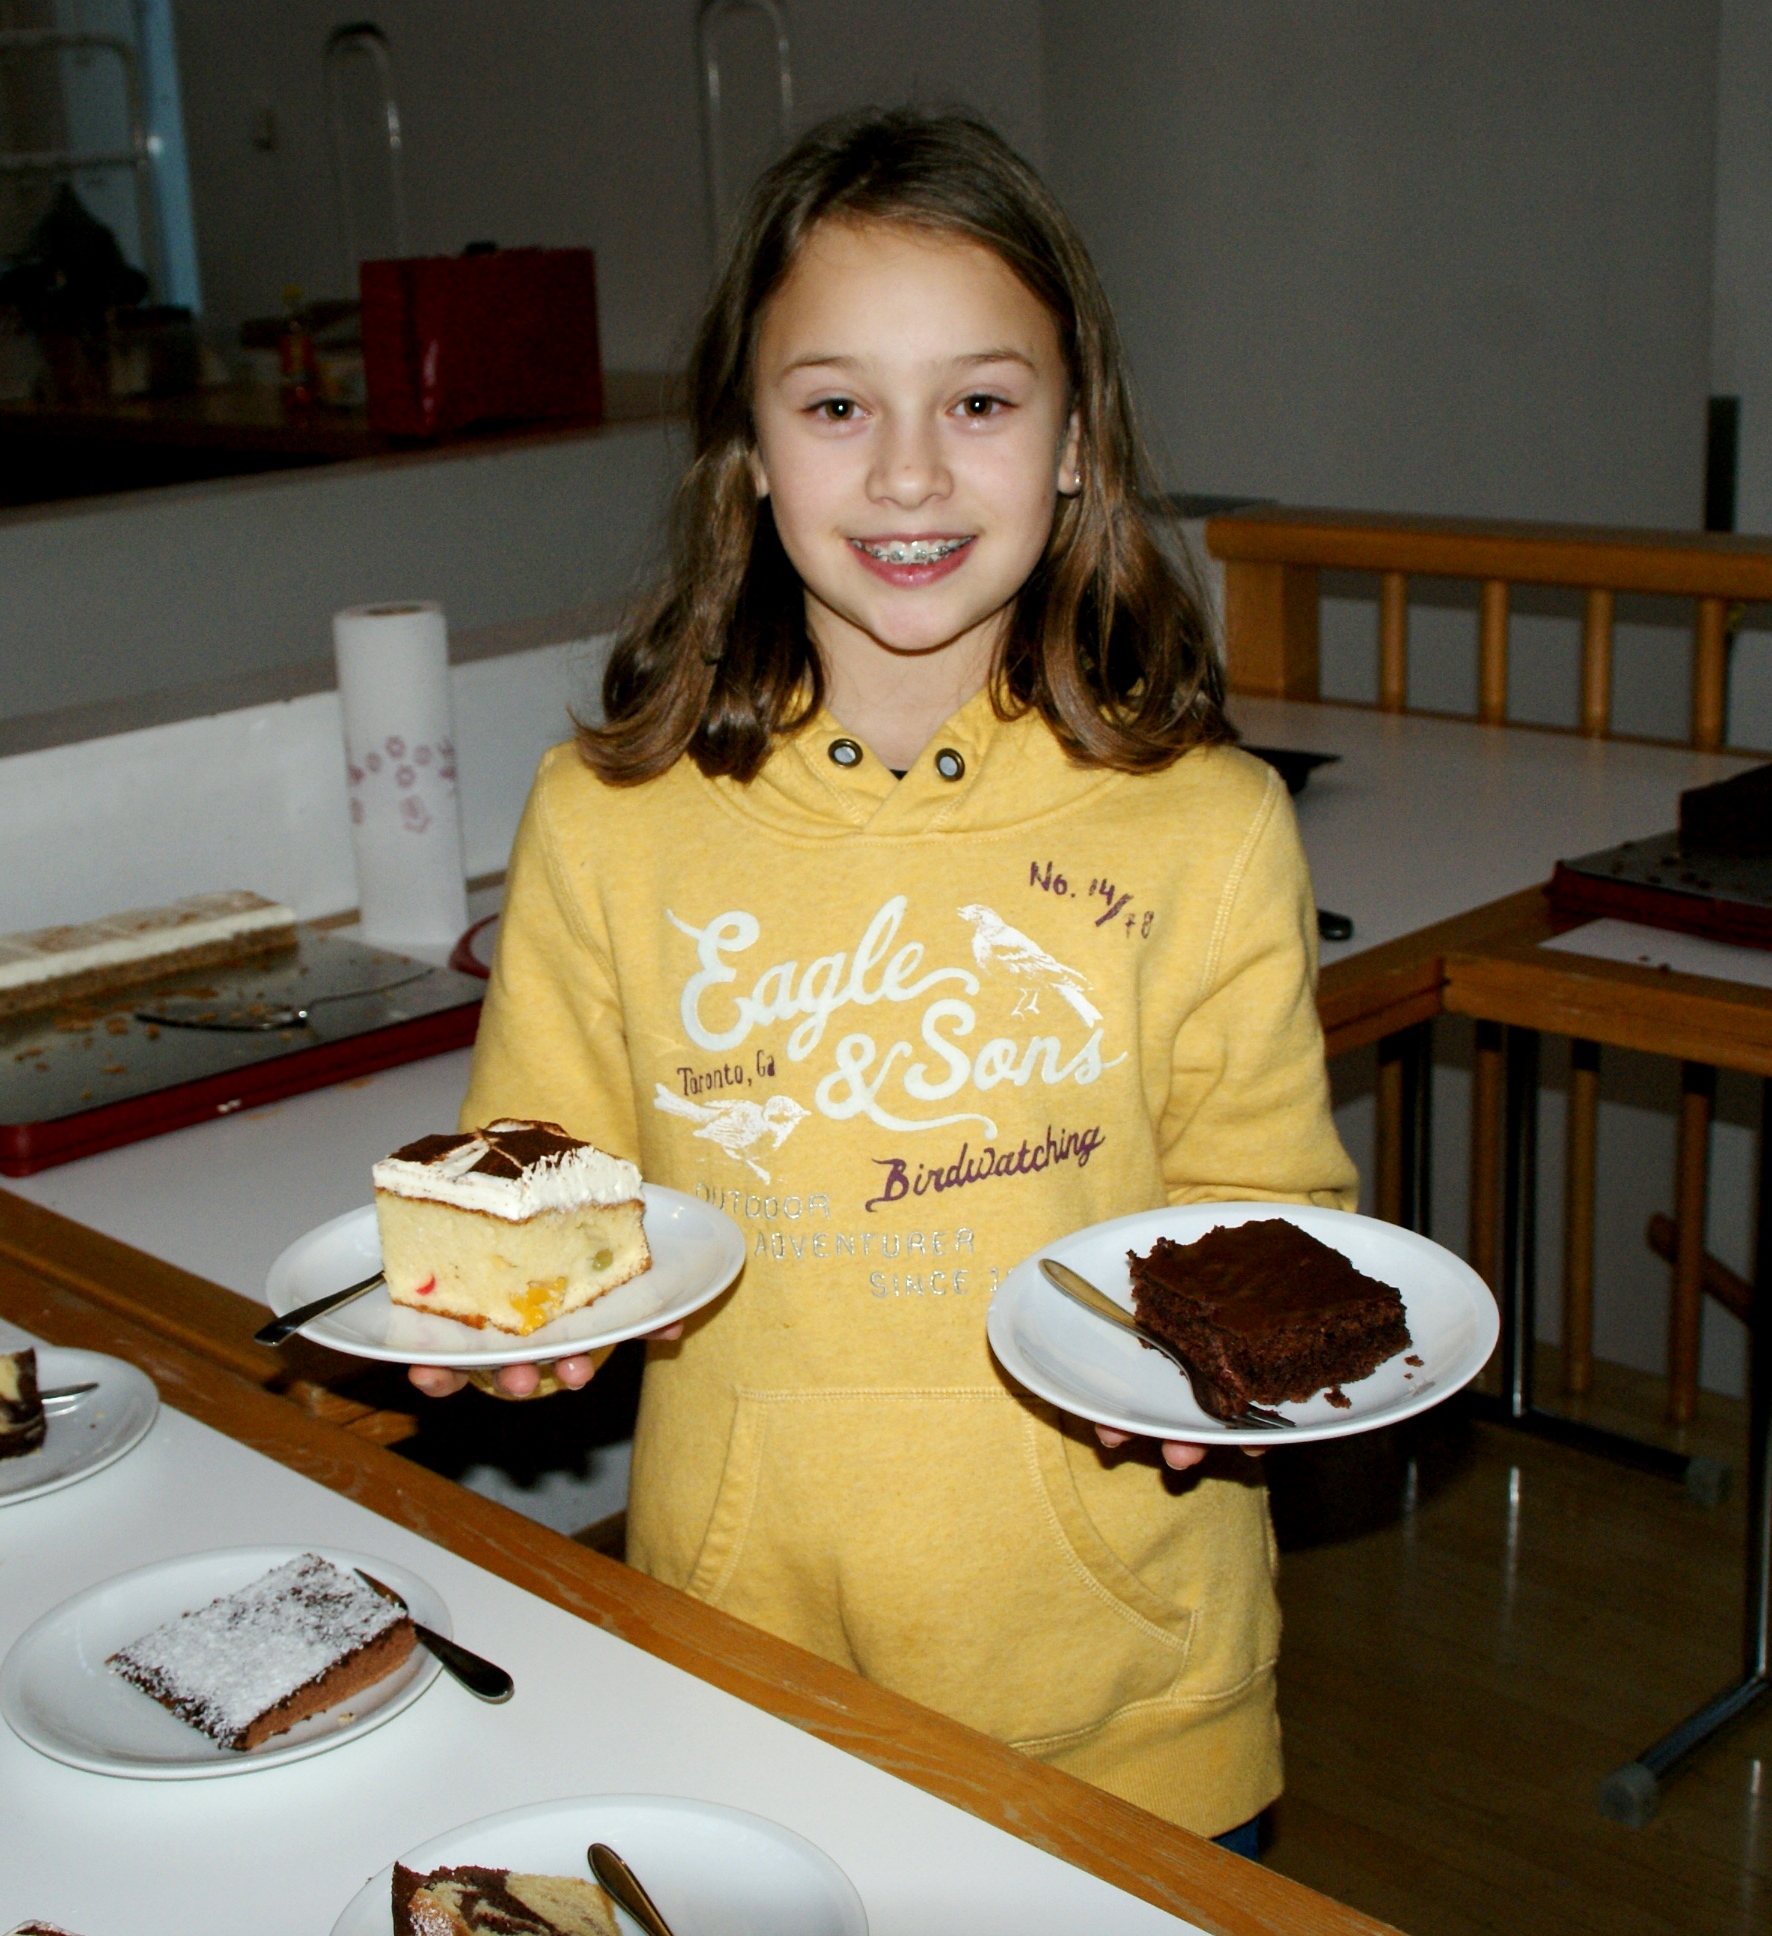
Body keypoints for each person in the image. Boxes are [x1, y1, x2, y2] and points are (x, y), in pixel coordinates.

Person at [419, 107, 1355, 1843]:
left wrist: (1232, 1395)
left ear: (1075, 443)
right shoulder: (608, 816)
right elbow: (548, 1181)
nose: (909, 475)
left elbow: (1269, 1204)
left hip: (1134, 1703)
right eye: (837, 406)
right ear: (748, 455)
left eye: (980, 404)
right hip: (735, 1666)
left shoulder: (1209, 826)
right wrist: (507, 1321)